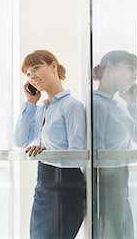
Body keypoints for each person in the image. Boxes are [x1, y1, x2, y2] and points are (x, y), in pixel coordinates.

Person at [14, 49, 86, 239]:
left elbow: (78, 155)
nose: (32, 76)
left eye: (36, 68)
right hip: (44, 185)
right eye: (28, 74)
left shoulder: (71, 106)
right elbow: (20, 140)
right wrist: (31, 102)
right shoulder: (40, 109)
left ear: (53, 65)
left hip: (67, 187)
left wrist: (48, 152)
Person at [92, 50, 137, 239]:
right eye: (131, 69)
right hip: (107, 182)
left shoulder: (115, 107)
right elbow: (97, 154)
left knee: (123, 232)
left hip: (119, 179)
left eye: (136, 73)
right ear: (110, 67)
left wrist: (132, 103)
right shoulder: (98, 104)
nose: (134, 76)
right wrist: (132, 154)